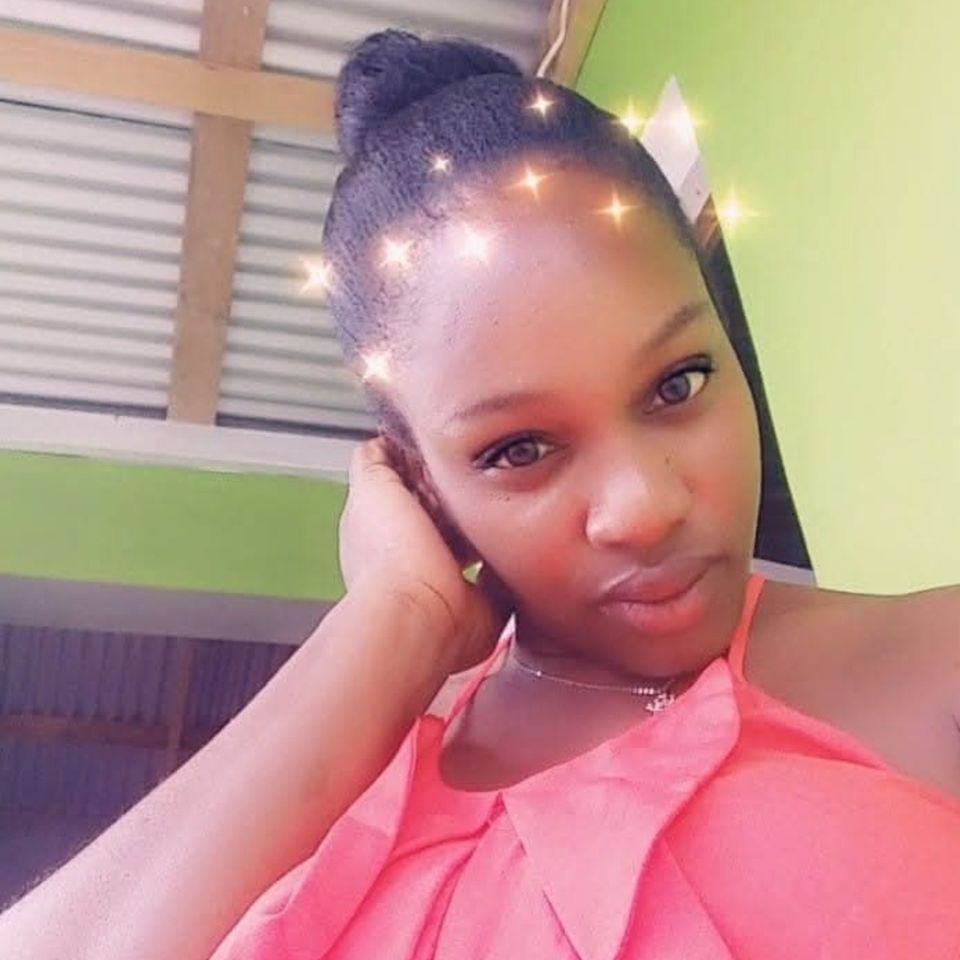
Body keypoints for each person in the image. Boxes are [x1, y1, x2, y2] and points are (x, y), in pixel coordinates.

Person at [3, 27, 960, 960]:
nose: (644, 507)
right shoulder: (315, 816)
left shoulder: (932, 669)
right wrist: (394, 623)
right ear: (419, 482)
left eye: (680, 383)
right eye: (520, 449)